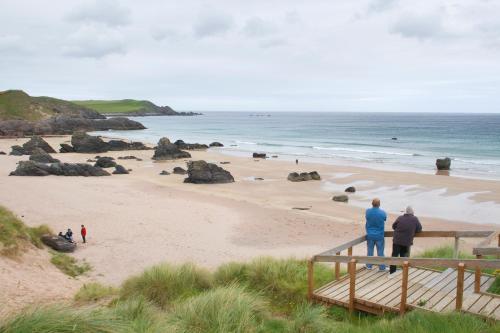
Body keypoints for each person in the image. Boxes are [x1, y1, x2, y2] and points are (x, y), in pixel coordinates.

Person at [389, 206, 422, 274]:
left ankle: (392, 272)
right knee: (404, 257)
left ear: (406, 212)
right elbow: (419, 229)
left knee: (394, 256)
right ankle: (403, 272)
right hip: (406, 241)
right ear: (412, 213)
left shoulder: (400, 218)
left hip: (397, 240)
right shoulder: (415, 219)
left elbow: (393, 226)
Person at [365, 198, 387, 271]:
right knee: (380, 252)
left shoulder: (368, 211)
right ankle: (382, 267)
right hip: (379, 235)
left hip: (370, 234)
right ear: (379, 204)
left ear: (372, 204)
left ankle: (369, 266)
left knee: (370, 251)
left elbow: (367, 218)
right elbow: (384, 219)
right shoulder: (382, 213)